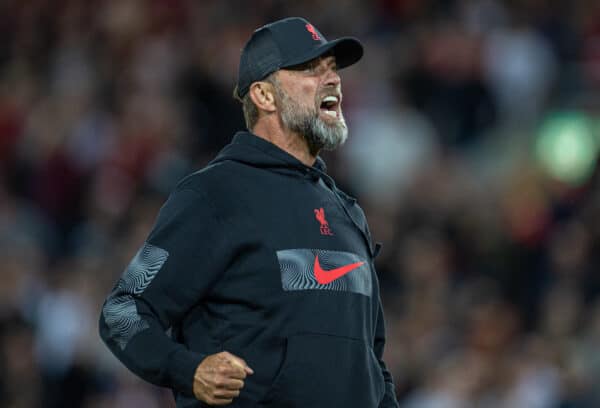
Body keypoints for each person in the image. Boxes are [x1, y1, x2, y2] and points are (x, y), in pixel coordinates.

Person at [99, 16, 399, 407]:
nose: (333, 79)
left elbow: (372, 363)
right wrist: (188, 369)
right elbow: (122, 310)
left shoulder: (348, 212)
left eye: (333, 69)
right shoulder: (213, 195)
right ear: (264, 96)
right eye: (311, 69)